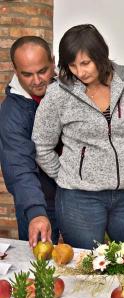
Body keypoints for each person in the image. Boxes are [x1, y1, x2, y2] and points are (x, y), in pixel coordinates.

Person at [32, 24, 124, 251]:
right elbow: (42, 144)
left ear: (100, 55)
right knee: (85, 272)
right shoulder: (59, 94)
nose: (80, 71)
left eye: (85, 63)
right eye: (72, 65)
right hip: (79, 199)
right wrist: (71, 176)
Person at [0, 36, 60, 248]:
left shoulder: (72, 91)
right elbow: (18, 166)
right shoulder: (11, 113)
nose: (36, 80)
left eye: (42, 71)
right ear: (15, 70)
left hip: (79, 197)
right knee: (39, 270)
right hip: (38, 199)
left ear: (53, 62)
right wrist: (35, 212)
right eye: (27, 74)